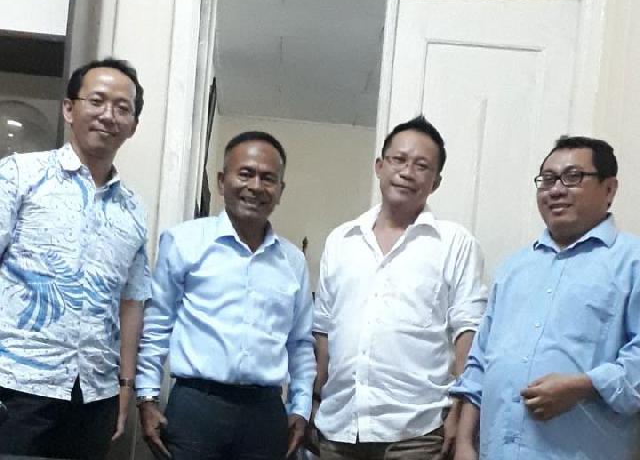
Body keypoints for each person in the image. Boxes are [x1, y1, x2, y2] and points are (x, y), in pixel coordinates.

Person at [451, 136, 640, 460]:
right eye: (548, 179)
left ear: (609, 189)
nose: (556, 190)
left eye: (573, 177)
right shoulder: (513, 268)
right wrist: (465, 442)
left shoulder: (632, 262)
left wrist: (583, 386)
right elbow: (480, 360)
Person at [312, 115, 487, 460]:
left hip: (416, 433)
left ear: (436, 182)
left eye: (422, 166)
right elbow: (324, 331)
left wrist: (461, 413)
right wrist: (313, 401)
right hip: (338, 427)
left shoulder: (454, 243)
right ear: (379, 166)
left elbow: (469, 333)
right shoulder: (341, 240)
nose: (407, 172)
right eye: (399, 160)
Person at [0, 58, 150, 459]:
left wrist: (125, 385)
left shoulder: (133, 210)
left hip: (95, 396)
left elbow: (131, 302)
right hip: (16, 385)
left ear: (133, 125)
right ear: (69, 109)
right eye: (97, 101)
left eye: (122, 107)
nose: (108, 115)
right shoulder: (19, 175)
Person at [136, 131, 315, 460]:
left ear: (280, 190)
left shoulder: (293, 262)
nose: (256, 186)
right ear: (222, 182)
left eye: (268, 178)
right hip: (196, 407)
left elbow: (300, 344)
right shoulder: (184, 242)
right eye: (245, 173)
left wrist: (300, 409)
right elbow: (157, 323)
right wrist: (146, 396)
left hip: (265, 414)